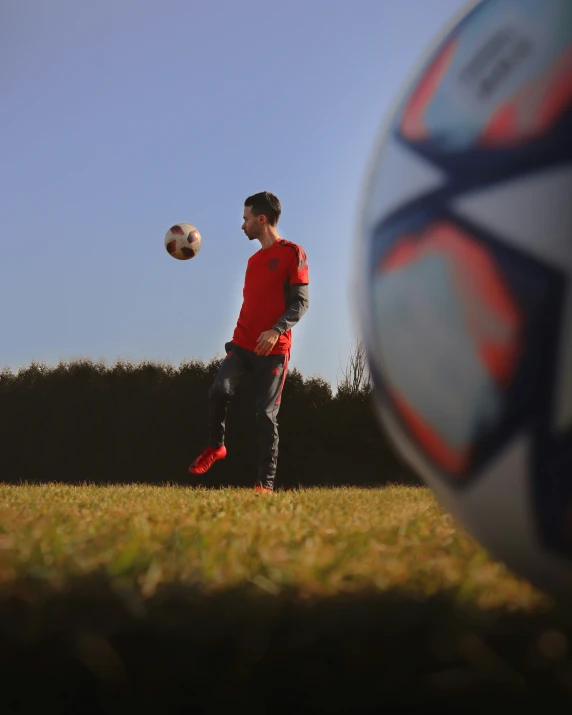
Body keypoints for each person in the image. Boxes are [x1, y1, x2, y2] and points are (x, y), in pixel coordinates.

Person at [189, 191, 310, 492]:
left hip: (274, 350)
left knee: (265, 415)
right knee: (219, 390)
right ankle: (216, 447)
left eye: (245, 219)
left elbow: (300, 302)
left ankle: (264, 484)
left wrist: (276, 331)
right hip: (242, 344)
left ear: (262, 219)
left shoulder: (293, 253)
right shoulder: (253, 261)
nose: (242, 225)